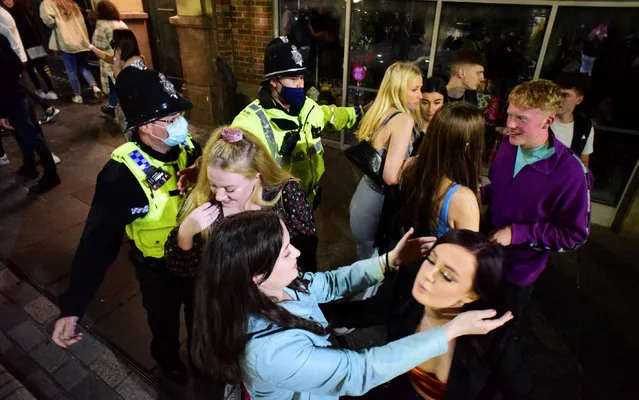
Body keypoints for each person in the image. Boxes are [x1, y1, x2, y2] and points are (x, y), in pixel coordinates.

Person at [190, 210, 513, 400]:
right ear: (256, 277)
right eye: (287, 252)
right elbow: (359, 371)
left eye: (446, 273)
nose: (298, 254)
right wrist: (451, 330)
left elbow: (328, 283)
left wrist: (389, 261)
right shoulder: (269, 354)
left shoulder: (275, 285)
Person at [50, 67, 201, 383]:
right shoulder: (121, 176)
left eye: (179, 116)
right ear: (146, 127)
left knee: (202, 315)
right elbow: (97, 243)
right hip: (159, 269)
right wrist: (73, 306)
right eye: (171, 119)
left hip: (199, 258)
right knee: (163, 322)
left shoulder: (190, 150)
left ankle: (201, 356)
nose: (181, 125)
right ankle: (168, 362)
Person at [359, 230, 532, 400]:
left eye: (447, 276)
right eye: (431, 260)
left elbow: (521, 393)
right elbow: (359, 313)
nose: (429, 275)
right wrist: (385, 263)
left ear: (470, 295)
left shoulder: (495, 339)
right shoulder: (405, 295)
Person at [482, 79, 592, 314]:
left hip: (517, 272)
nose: (510, 124)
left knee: (497, 332)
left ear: (548, 121)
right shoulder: (509, 145)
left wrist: (517, 233)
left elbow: (574, 236)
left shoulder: (571, 173)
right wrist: (479, 193)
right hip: (484, 257)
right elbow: (504, 189)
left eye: (522, 118)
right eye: (510, 114)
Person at [164, 126, 318, 275]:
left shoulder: (286, 195)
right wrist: (185, 233)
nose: (219, 196)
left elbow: (305, 255)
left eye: (230, 189)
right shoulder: (204, 204)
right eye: (213, 185)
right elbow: (186, 271)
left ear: (256, 177)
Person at [231, 36, 363, 206]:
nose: (300, 84)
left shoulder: (308, 107)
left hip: (308, 202)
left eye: (301, 77)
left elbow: (332, 115)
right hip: (276, 211)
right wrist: (199, 167)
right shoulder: (250, 123)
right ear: (273, 81)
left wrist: (361, 112)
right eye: (293, 79)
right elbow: (226, 164)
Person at [349, 61, 423, 260]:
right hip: (378, 203)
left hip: (363, 195)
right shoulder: (403, 120)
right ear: (398, 90)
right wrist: (416, 163)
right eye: (415, 90)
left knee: (363, 257)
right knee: (373, 267)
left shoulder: (378, 109)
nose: (420, 95)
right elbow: (391, 176)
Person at [0, 31, 60, 194]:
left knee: (30, 136)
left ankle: (51, 174)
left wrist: (3, 112)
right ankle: (29, 166)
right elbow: (17, 65)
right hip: (18, 93)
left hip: (10, 99)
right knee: (23, 134)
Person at [0, 4, 60, 125]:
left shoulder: (5, 14)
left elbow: (12, 38)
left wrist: (19, 58)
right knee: (23, 86)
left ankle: (47, 108)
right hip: (19, 55)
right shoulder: (6, 13)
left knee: (22, 87)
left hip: (18, 55)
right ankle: (45, 109)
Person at [40, 0, 102, 104]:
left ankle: (78, 95)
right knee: (84, 66)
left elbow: (49, 22)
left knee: (71, 70)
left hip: (66, 42)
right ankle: (95, 87)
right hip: (82, 41)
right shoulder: (71, 3)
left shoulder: (47, 3)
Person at [89, 1, 127, 118]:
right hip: (125, 56)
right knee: (122, 83)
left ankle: (115, 107)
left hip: (110, 58)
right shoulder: (121, 23)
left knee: (113, 84)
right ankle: (112, 106)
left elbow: (98, 43)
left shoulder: (102, 24)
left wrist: (91, 46)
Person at [552, 73, 594, 168]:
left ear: (579, 100)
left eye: (565, 95)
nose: (558, 99)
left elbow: (583, 160)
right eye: (556, 93)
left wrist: (583, 181)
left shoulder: (584, 126)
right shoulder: (539, 118)